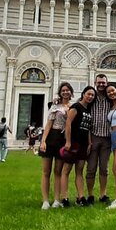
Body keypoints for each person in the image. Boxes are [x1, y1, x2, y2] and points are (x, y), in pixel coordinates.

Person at [86, 74, 116, 205]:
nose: (101, 85)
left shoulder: (111, 100)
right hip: (93, 137)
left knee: (104, 168)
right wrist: (56, 100)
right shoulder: (91, 98)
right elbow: (79, 104)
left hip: (107, 139)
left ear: (107, 83)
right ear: (95, 83)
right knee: (91, 168)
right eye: (99, 82)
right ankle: (90, 195)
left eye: (103, 83)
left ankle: (103, 194)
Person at [39, 82, 72, 210]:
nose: (65, 92)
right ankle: (46, 201)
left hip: (62, 140)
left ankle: (57, 200)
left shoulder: (73, 107)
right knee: (46, 171)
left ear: (71, 92)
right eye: (63, 90)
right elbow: (48, 124)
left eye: (67, 90)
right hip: (51, 137)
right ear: (60, 92)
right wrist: (43, 141)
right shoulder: (55, 106)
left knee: (58, 171)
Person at [60, 86, 95, 207]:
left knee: (79, 170)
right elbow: (68, 123)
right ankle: (64, 198)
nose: (90, 97)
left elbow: (88, 128)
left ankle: (80, 197)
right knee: (66, 170)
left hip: (84, 143)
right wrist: (68, 141)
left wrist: (89, 142)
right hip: (73, 142)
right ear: (83, 94)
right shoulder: (76, 107)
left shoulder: (89, 109)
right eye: (88, 94)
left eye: (92, 95)